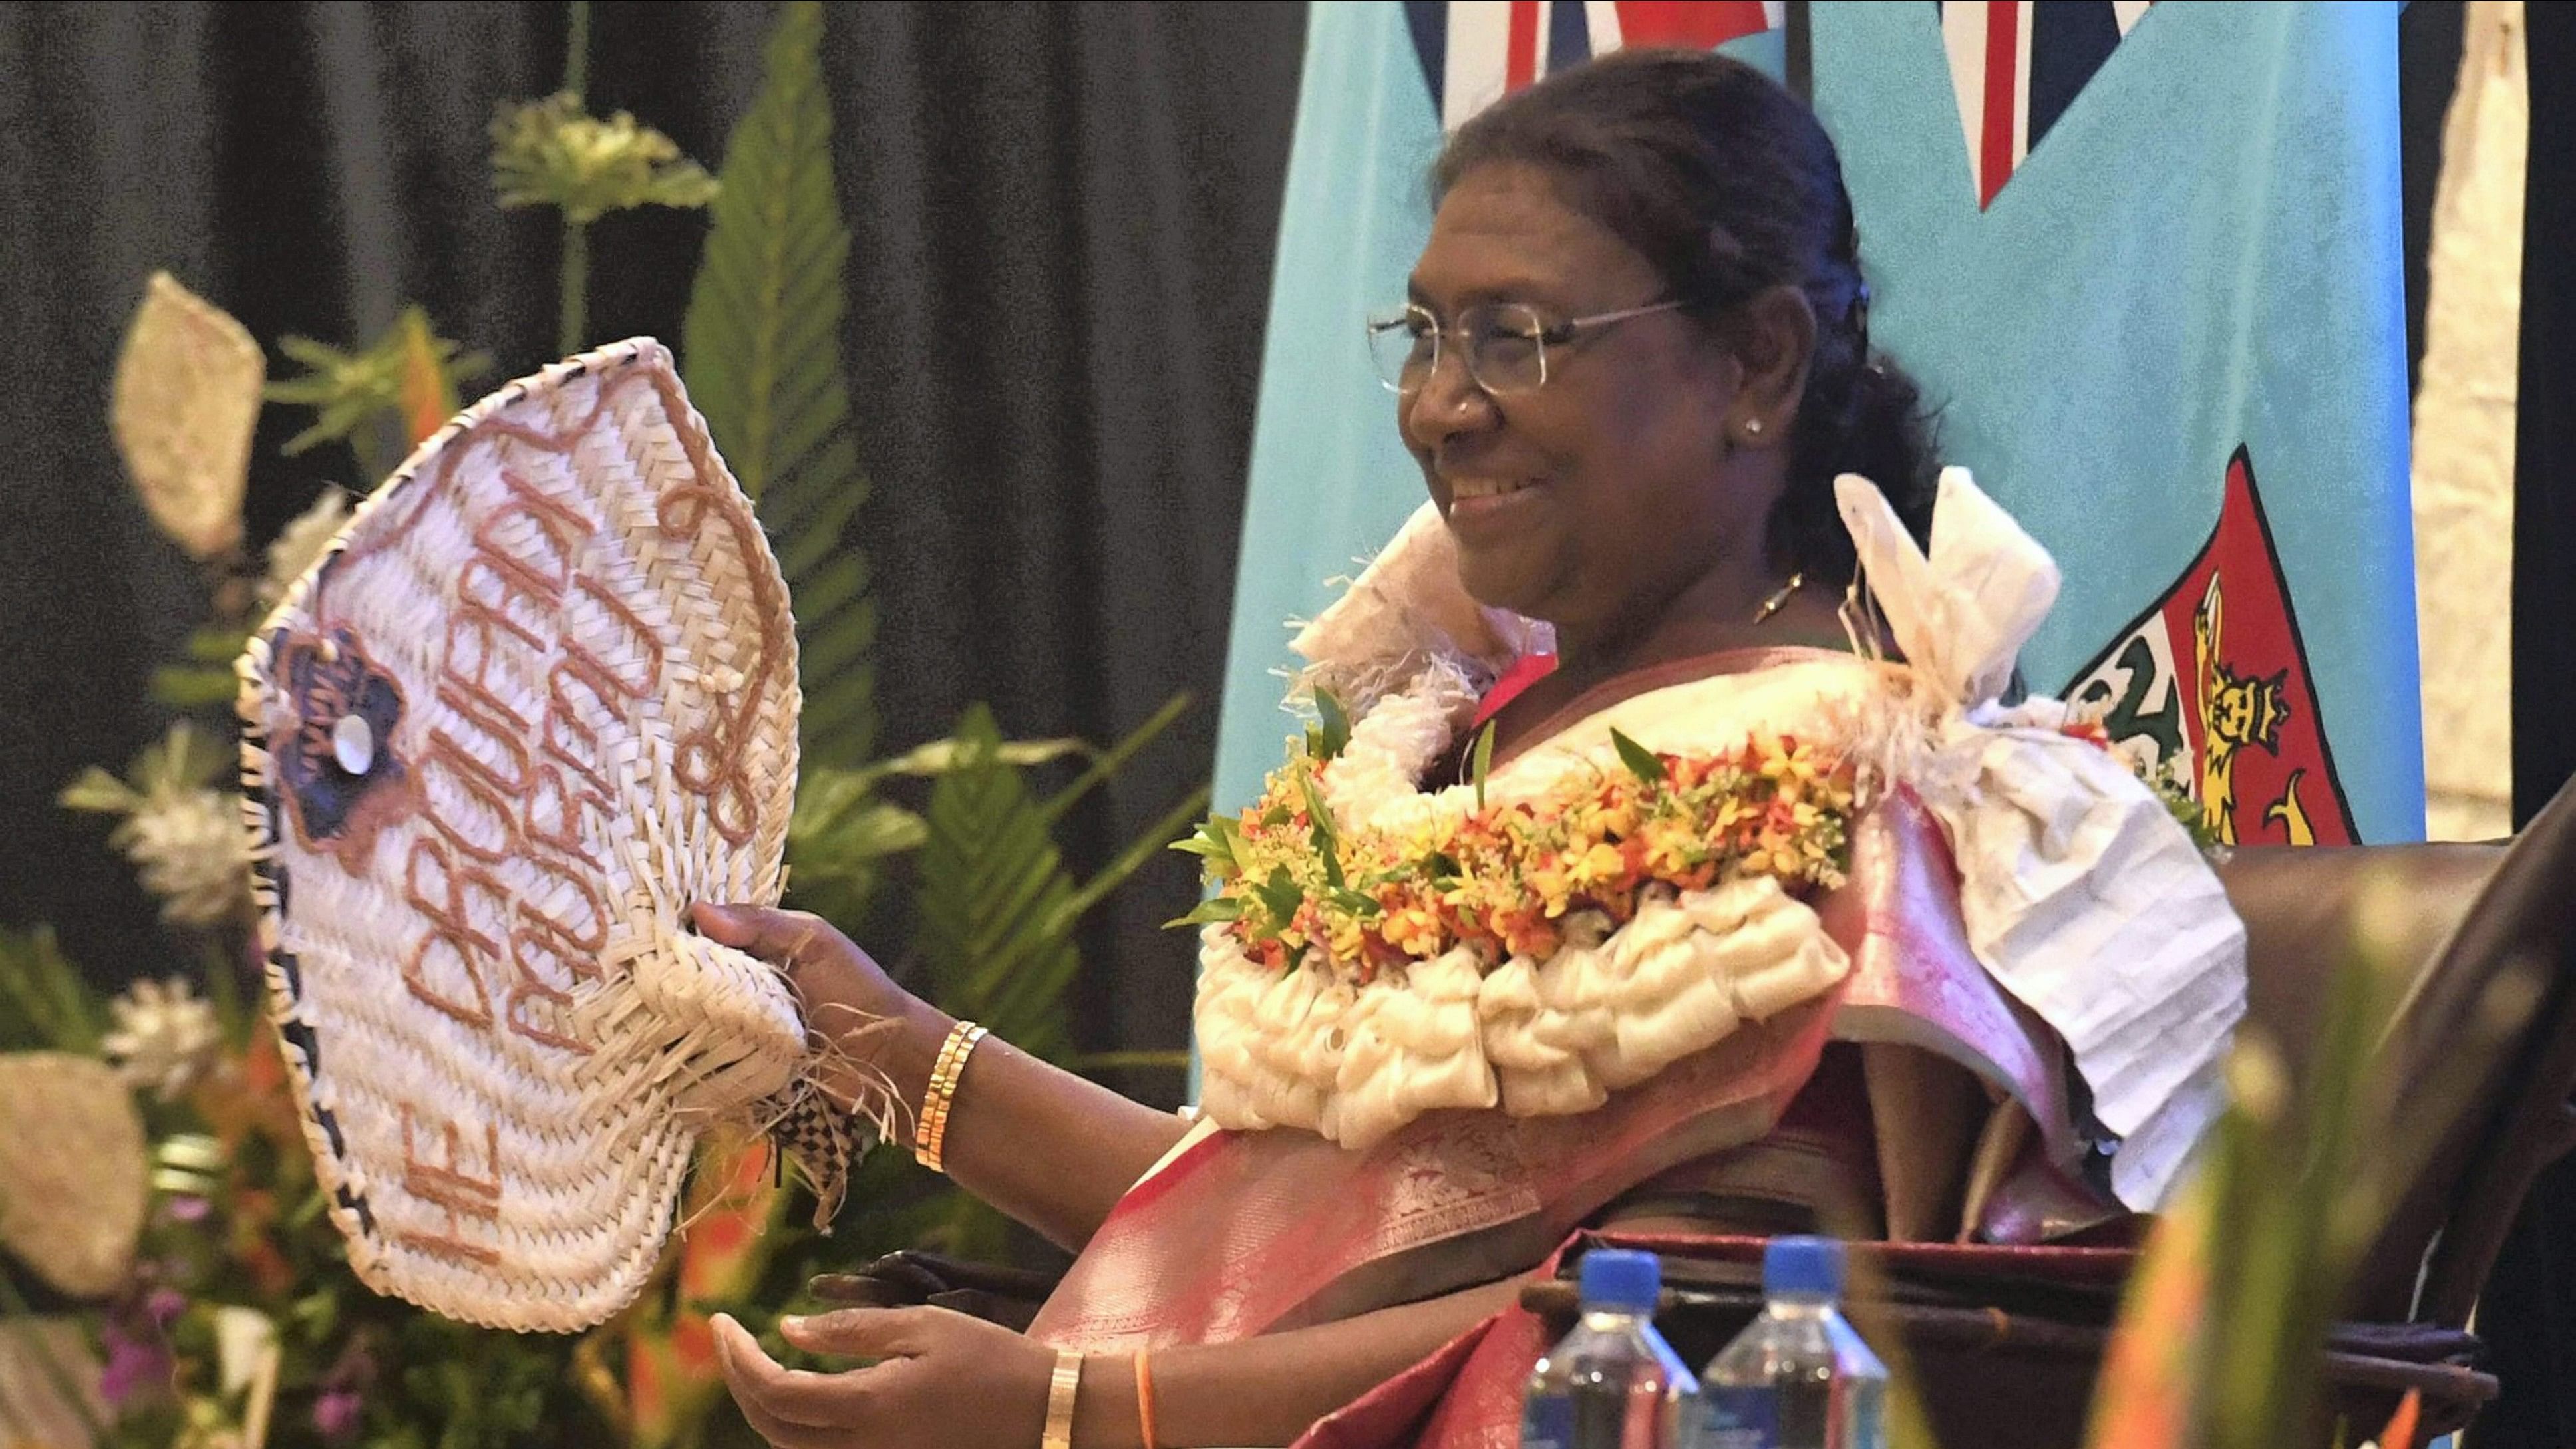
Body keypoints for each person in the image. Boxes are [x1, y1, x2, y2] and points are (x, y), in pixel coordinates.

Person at [699, 47, 2242, 1449]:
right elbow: (1289, 1244)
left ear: (1758, 365)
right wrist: (883, 1040)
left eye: (1517, 338)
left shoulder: (1858, 788)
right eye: (1427, 335)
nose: (1441, 408)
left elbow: (1657, 1332)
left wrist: (1071, 1410)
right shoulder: (1478, 731)